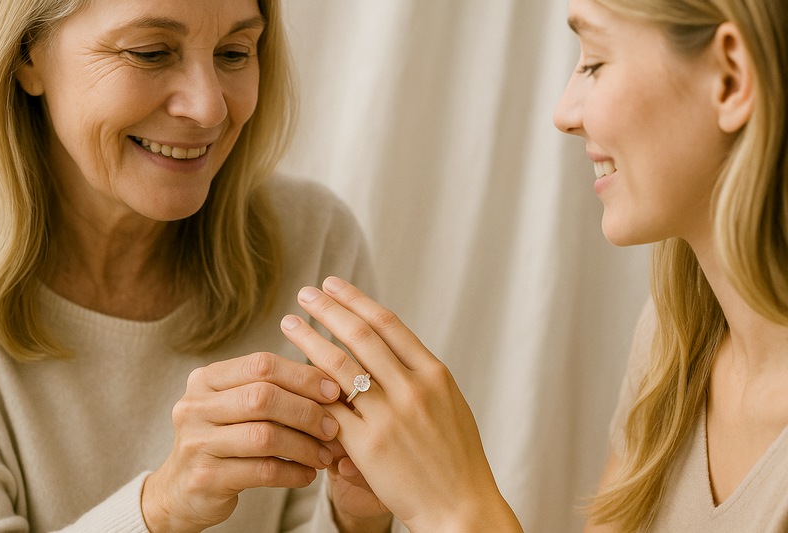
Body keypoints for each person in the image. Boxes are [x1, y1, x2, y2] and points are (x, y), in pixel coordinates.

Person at [279, 0, 788, 531]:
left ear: (729, 79)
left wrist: (458, 510)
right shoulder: (678, 338)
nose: (564, 113)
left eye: (594, 61)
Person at [0, 0, 398, 531]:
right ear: (27, 56)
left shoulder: (314, 239)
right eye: (150, 52)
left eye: (234, 52)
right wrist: (162, 507)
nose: (209, 108)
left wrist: (360, 517)